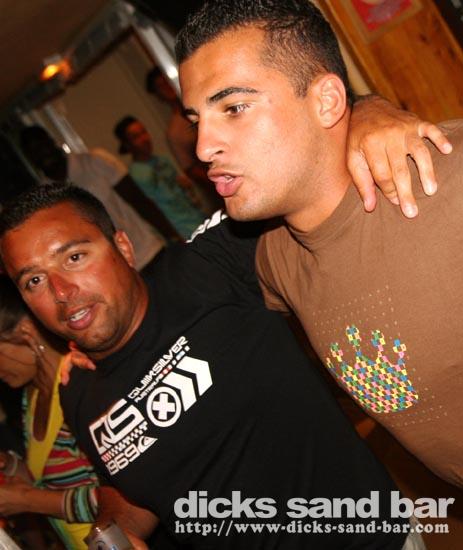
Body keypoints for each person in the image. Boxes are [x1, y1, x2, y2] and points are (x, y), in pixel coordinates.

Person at [0, 184, 419, 549]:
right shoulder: (76, 390)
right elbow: (131, 489)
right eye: (34, 281)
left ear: (123, 248)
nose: (60, 292)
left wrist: (370, 126)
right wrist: (114, 531)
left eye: (74, 257)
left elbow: (311, 179)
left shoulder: (208, 269)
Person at [176, 0, 462, 486]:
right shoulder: (274, 256)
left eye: (234, 108)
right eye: (195, 120)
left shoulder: (447, 183)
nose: (204, 148)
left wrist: (367, 106)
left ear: (327, 101)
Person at [0, 276, 98, 549]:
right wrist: (11, 465)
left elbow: (128, 500)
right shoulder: (31, 396)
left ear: (26, 332)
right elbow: (55, 483)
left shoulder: (79, 384)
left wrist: (27, 501)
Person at [19, 125, 179, 272]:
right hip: (114, 272)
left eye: (42, 145)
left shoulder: (94, 161)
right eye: (34, 152)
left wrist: (172, 236)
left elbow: (138, 199)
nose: (42, 153)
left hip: (148, 252)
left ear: (52, 142)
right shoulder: (46, 196)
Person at [146, 67, 223, 215]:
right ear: (159, 95)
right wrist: (219, 181)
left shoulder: (206, 101)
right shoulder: (175, 131)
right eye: (161, 86)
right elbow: (191, 169)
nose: (167, 86)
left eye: (166, 81)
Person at [114, 115, 206, 239]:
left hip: (199, 220)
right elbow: (151, 211)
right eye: (136, 137)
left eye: (143, 132)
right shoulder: (135, 175)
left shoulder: (162, 160)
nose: (144, 139)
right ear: (127, 144)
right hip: (182, 233)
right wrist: (173, 236)